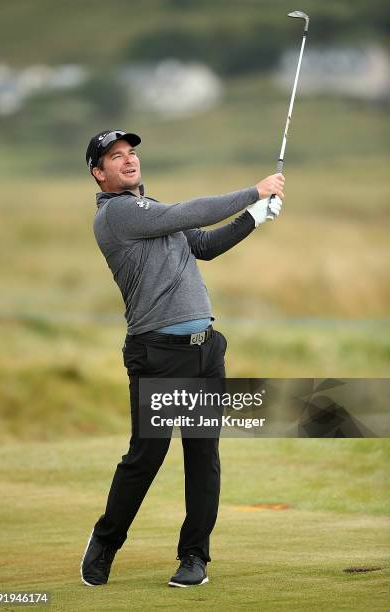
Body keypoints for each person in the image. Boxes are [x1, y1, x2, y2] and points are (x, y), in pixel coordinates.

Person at [80, 129, 284, 588]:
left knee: (203, 455)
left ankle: (194, 557)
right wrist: (255, 190)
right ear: (100, 174)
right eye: (116, 157)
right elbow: (186, 213)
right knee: (146, 458)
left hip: (204, 352)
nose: (128, 161)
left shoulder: (153, 214)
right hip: (158, 355)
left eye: (130, 153)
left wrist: (254, 216)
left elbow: (204, 245)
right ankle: (106, 540)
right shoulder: (119, 215)